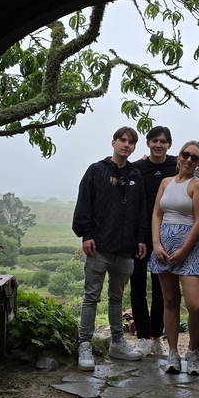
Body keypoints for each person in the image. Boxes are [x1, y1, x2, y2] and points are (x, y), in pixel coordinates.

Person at [72, 127, 148, 371]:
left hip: (126, 250)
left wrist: (141, 238)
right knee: (91, 296)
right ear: (113, 142)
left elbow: (141, 211)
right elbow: (84, 203)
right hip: (99, 247)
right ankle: (84, 346)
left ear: (135, 147)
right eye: (122, 140)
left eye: (131, 142)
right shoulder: (97, 171)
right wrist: (86, 234)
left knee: (117, 298)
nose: (126, 145)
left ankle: (117, 343)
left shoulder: (136, 176)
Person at [150, 141, 199, 375]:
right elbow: (157, 213)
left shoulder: (198, 186)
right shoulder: (166, 182)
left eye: (194, 158)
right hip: (164, 244)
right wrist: (156, 243)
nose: (188, 160)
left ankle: (193, 350)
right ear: (179, 156)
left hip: (189, 247)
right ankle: (173, 352)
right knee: (170, 301)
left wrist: (185, 249)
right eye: (185, 154)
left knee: (196, 305)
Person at [130, 126, 178, 357]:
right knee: (138, 285)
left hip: (166, 235)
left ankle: (156, 336)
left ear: (169, 144)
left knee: (162, 288)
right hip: (140, 234)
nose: (159, 144)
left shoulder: (178, 165)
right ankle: (141, 337)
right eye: (155, 140)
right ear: (148, 143)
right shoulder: (137, 168)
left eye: (163, 141)